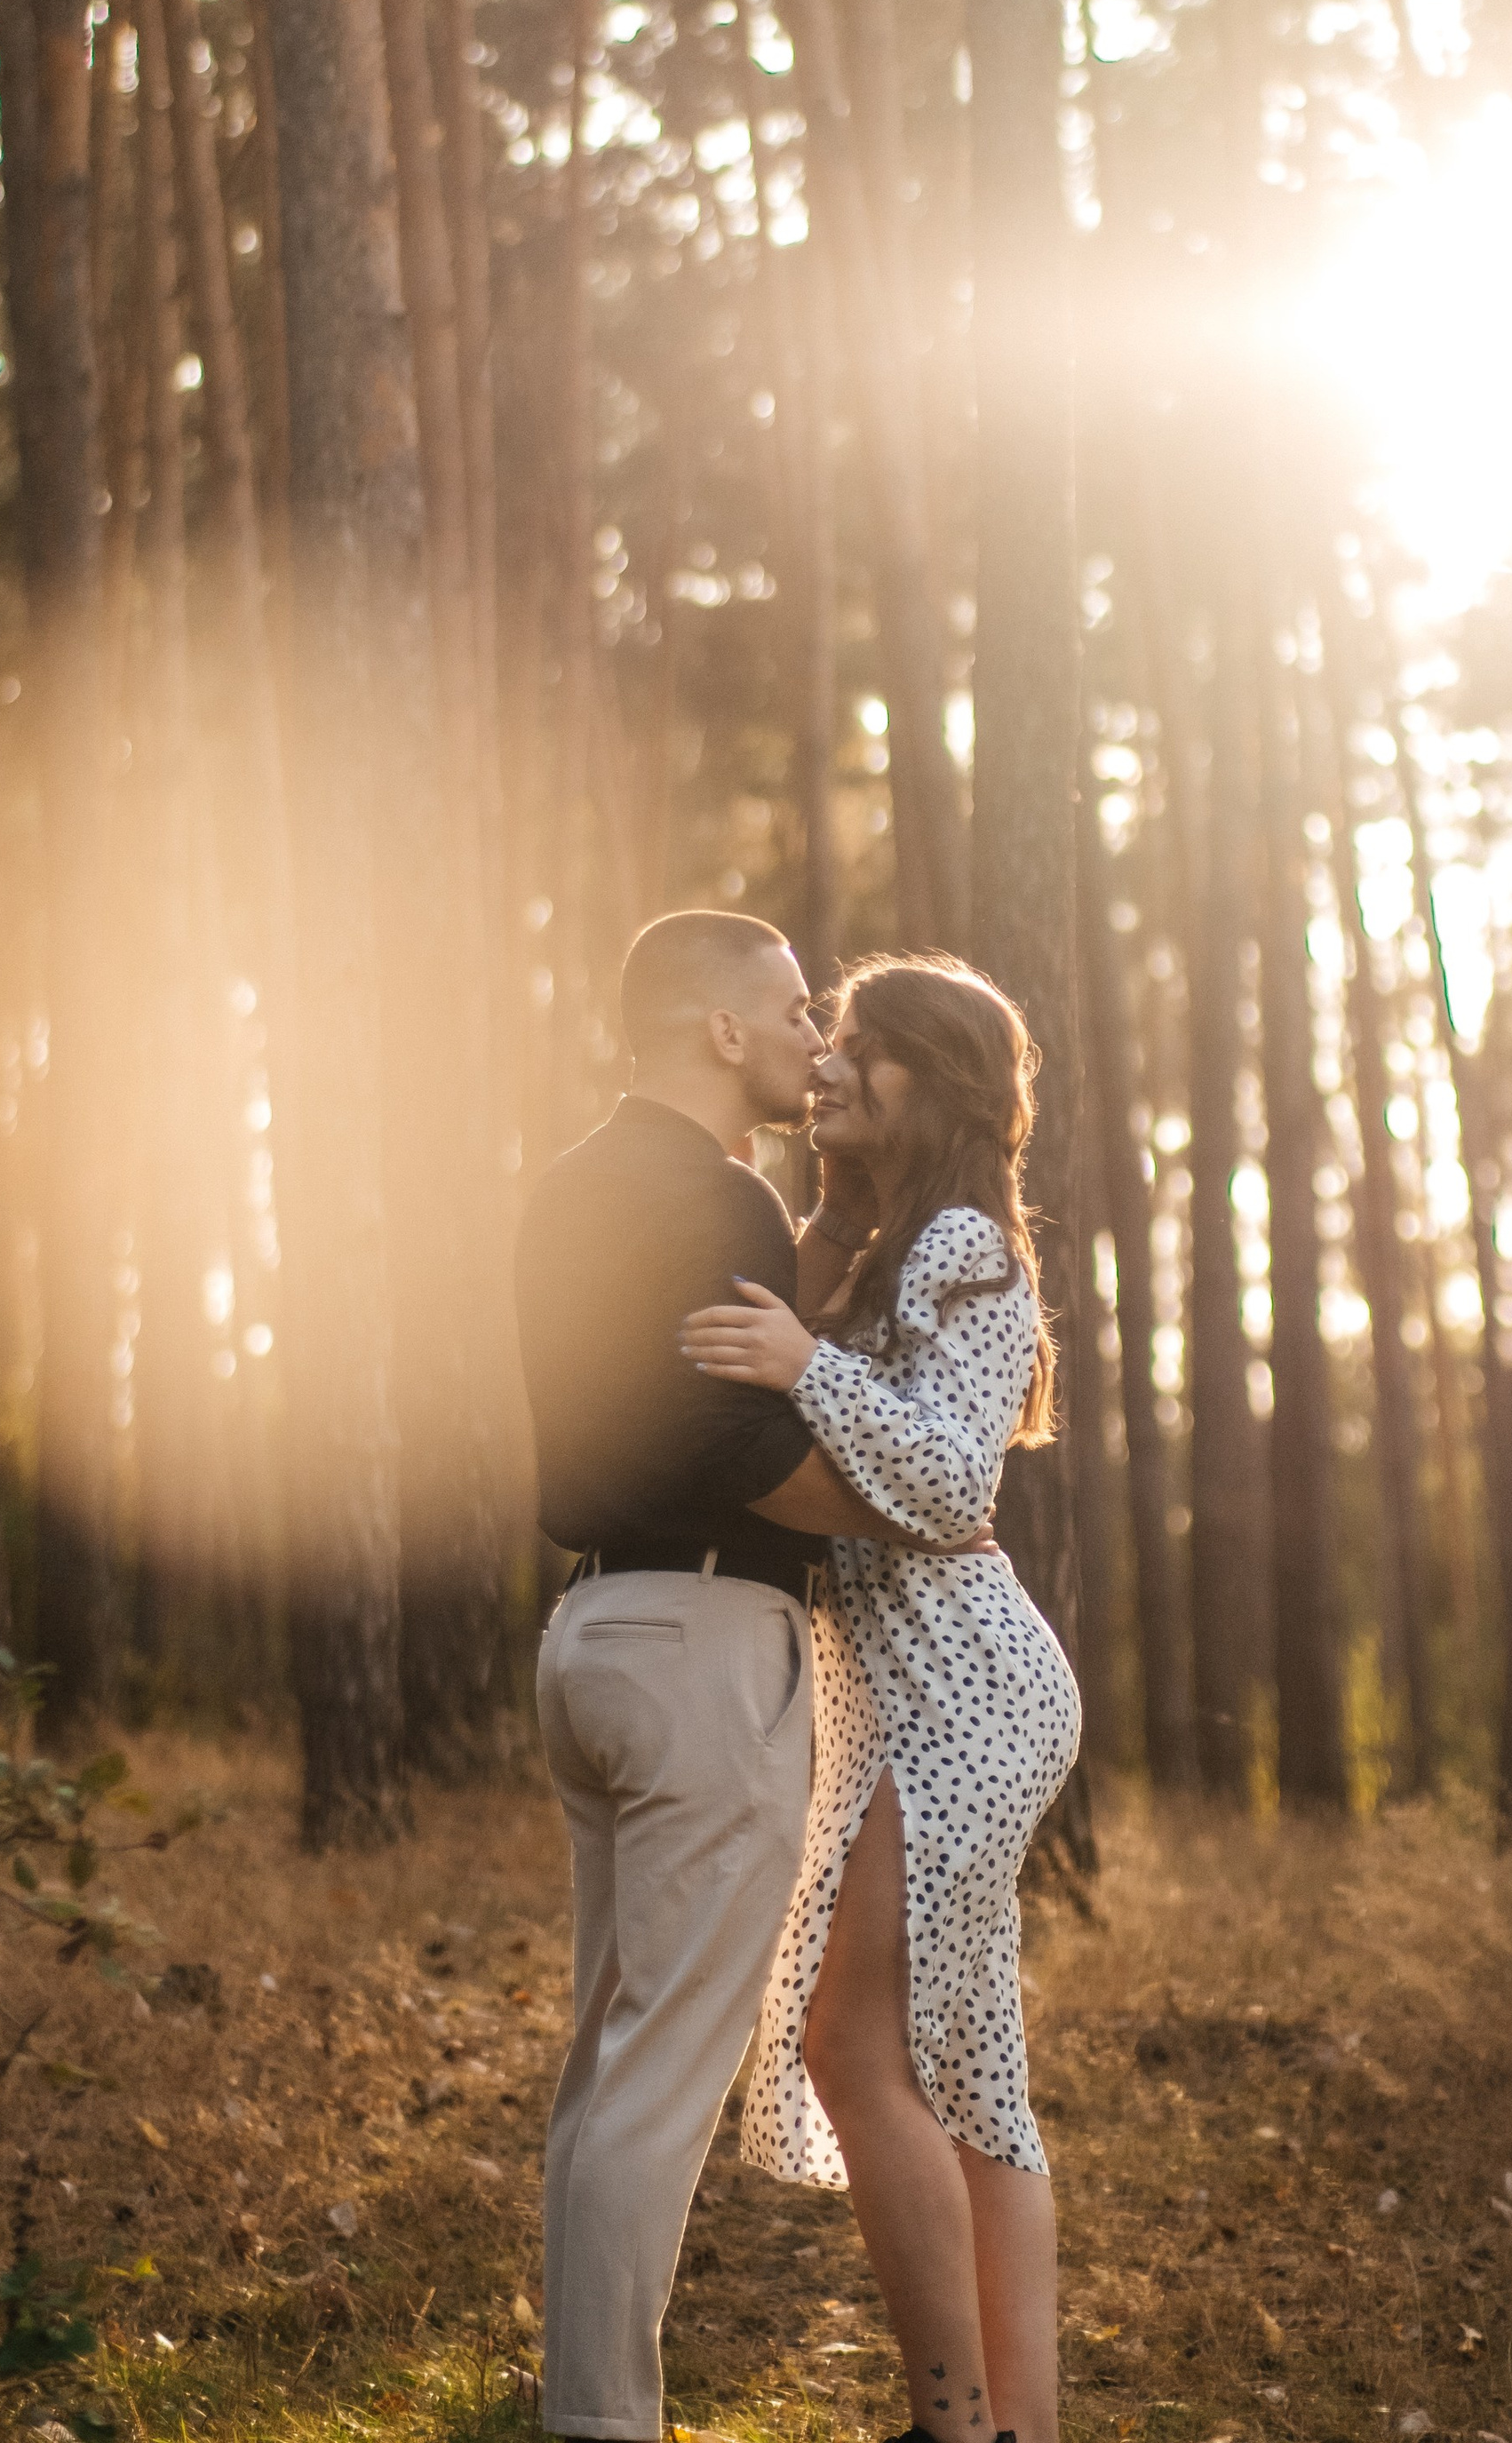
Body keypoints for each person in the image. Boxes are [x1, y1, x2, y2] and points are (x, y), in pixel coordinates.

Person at [516, 910, 983, 2443]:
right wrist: (916, 1506)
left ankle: (584, 2404)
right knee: (660, 2078)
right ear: (720, 1032)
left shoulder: (572, 1186)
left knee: (606, 2068)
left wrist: (825, 1256)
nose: (816, 1038)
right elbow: (736, 1440)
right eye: (793, 1010)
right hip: (707, 1648)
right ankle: (601, 2424)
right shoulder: (717, 1194)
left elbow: (643, 1412)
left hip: (587, 1639)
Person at [680, 953, 1084, 2443]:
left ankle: (953, 2421)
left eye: (865, 1045)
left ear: (940, 1081)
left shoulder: (968, 1240)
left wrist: (804, 1361)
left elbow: (947, 1479)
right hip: (895, 1691)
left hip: (971, 1682)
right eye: (828, 1036)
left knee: (853, 2046)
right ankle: (1016, 2429)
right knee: (971, 2071)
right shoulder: (867, 1241)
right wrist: (808, 1292)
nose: (833, 1062)